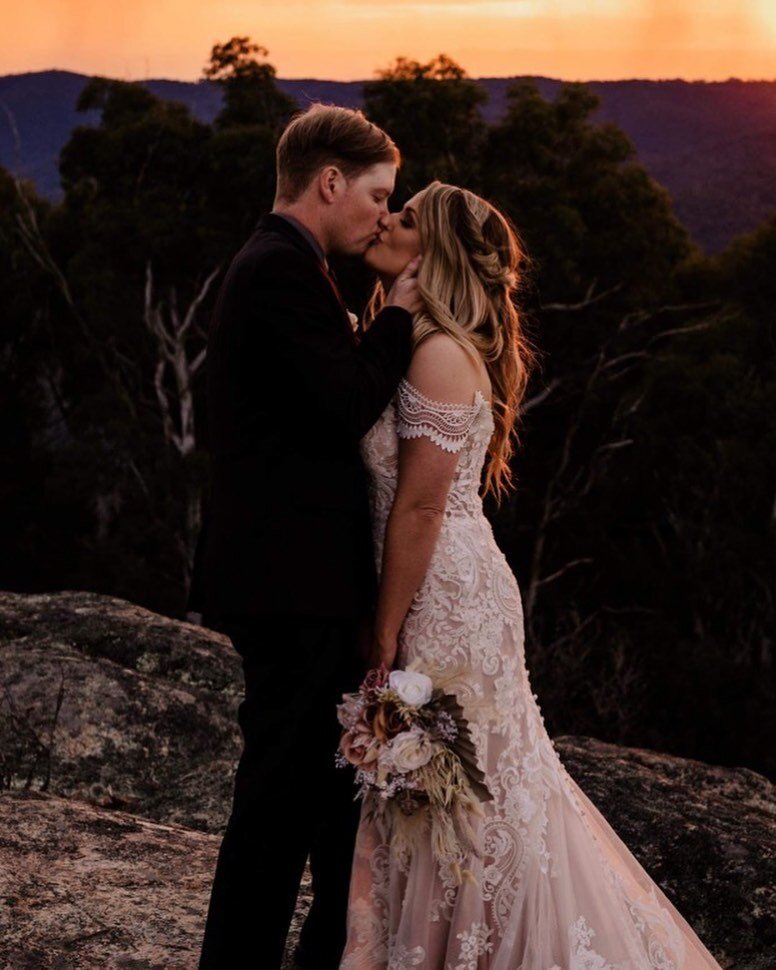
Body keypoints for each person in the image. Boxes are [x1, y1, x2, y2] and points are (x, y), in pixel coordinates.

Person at [338, 181, 724, 968]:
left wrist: (381, 634)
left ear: (436, 250)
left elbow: (419, 510)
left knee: (460, 794)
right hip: (431, 580)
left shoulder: (441, 354)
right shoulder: (405, 335)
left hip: (440, 594)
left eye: (406, 217)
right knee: (431, 791)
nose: (386, 220)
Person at [188, 103, 422, 970]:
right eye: (377, 193)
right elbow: (342, 404)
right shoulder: (280, 269)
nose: (381, 212)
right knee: (276, 810)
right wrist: (398, 310)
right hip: (291, 587)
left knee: (325, 805)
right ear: (330, 182)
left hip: (300, 581)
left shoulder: (288, 264)